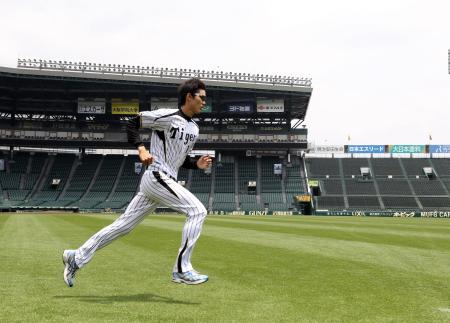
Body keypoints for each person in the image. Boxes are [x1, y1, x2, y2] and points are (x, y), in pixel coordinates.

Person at [62, 78, 212, 286]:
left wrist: (197, 165)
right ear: (189, 96)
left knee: (122, 226)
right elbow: (132, 123)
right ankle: (181, 269)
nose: (204, 102)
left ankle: (76, 257)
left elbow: (180, 159)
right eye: (201, 98)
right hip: (157, 176)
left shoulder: (194, 128)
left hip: (163, 180)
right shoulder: (166, 116)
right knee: (198, 211)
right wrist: (141, 148)